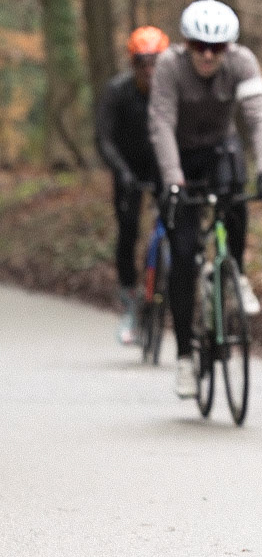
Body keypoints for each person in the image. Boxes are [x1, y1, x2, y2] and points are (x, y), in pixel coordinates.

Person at [149, 0, 262, 398]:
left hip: (220, 149)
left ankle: (235, 272)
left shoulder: (242, 63)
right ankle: (184, 358)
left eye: (217, 48)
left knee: (237, 198)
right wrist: (173, 181)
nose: (208, 55)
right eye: (200, 46)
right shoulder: (169, 66)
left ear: (229, 47)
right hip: (179, 156)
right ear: (186, 43)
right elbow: (161, 124)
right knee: (183, 256)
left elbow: (258, 118)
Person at [96, 27, 168, 344]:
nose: (149, 70)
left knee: (179, 228)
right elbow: (103, 139)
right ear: (133, 63)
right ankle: (129, 300)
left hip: (163, 168)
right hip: (128, 171)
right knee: (128, 232)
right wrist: (122, 172)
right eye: (142, 63)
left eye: (155, 62)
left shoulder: (171, 91)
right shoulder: (117, 92)